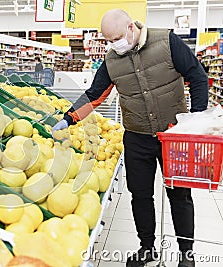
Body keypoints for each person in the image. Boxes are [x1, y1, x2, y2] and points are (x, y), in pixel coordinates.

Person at [52, 9, 208, 267]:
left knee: (179, 195)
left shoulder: (167, 42)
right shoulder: (112, 59)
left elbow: (198, 77)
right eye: (108, 41)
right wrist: (69, 118)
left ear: (130, 28)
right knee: (140, 195)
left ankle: (186, 254)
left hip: (173, 136)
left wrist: (196, 120)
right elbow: (95, 94)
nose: (114, 45)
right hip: (137, 138)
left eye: (116, 39)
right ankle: (146, 248)